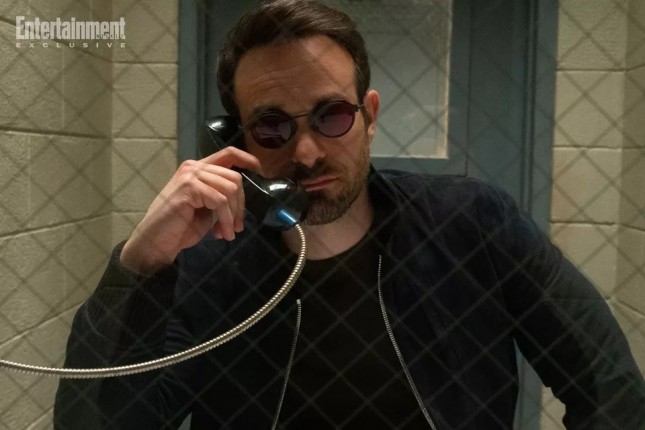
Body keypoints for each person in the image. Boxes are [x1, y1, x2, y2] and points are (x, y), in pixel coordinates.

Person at [54, 0, 645, 428]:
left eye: (331, 115)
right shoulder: (208, 266)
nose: (307, 152)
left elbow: (608, 382)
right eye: (272, 126)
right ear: (235, 139)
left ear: (370, 115)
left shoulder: (472, 223)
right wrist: (139, 267)